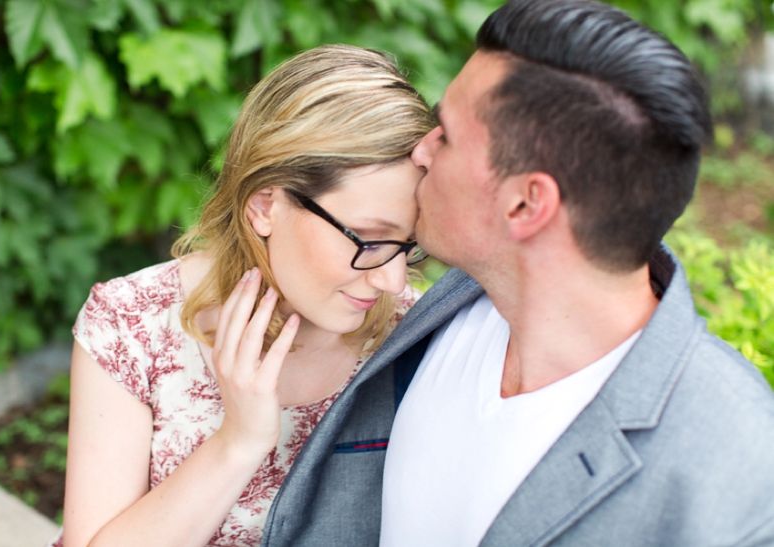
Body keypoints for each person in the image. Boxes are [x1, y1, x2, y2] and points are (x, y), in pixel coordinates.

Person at [255, 1, 774, 546]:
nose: (421, 150)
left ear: (527, 206)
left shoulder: (738, 472)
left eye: (447, 136)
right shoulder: (440, 313)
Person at [49, 44, 434, 547]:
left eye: (409, 244)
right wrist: (239, 442)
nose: (394, 281)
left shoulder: (415, 332)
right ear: (264, 206)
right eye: (368, 239)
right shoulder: (132, 325)